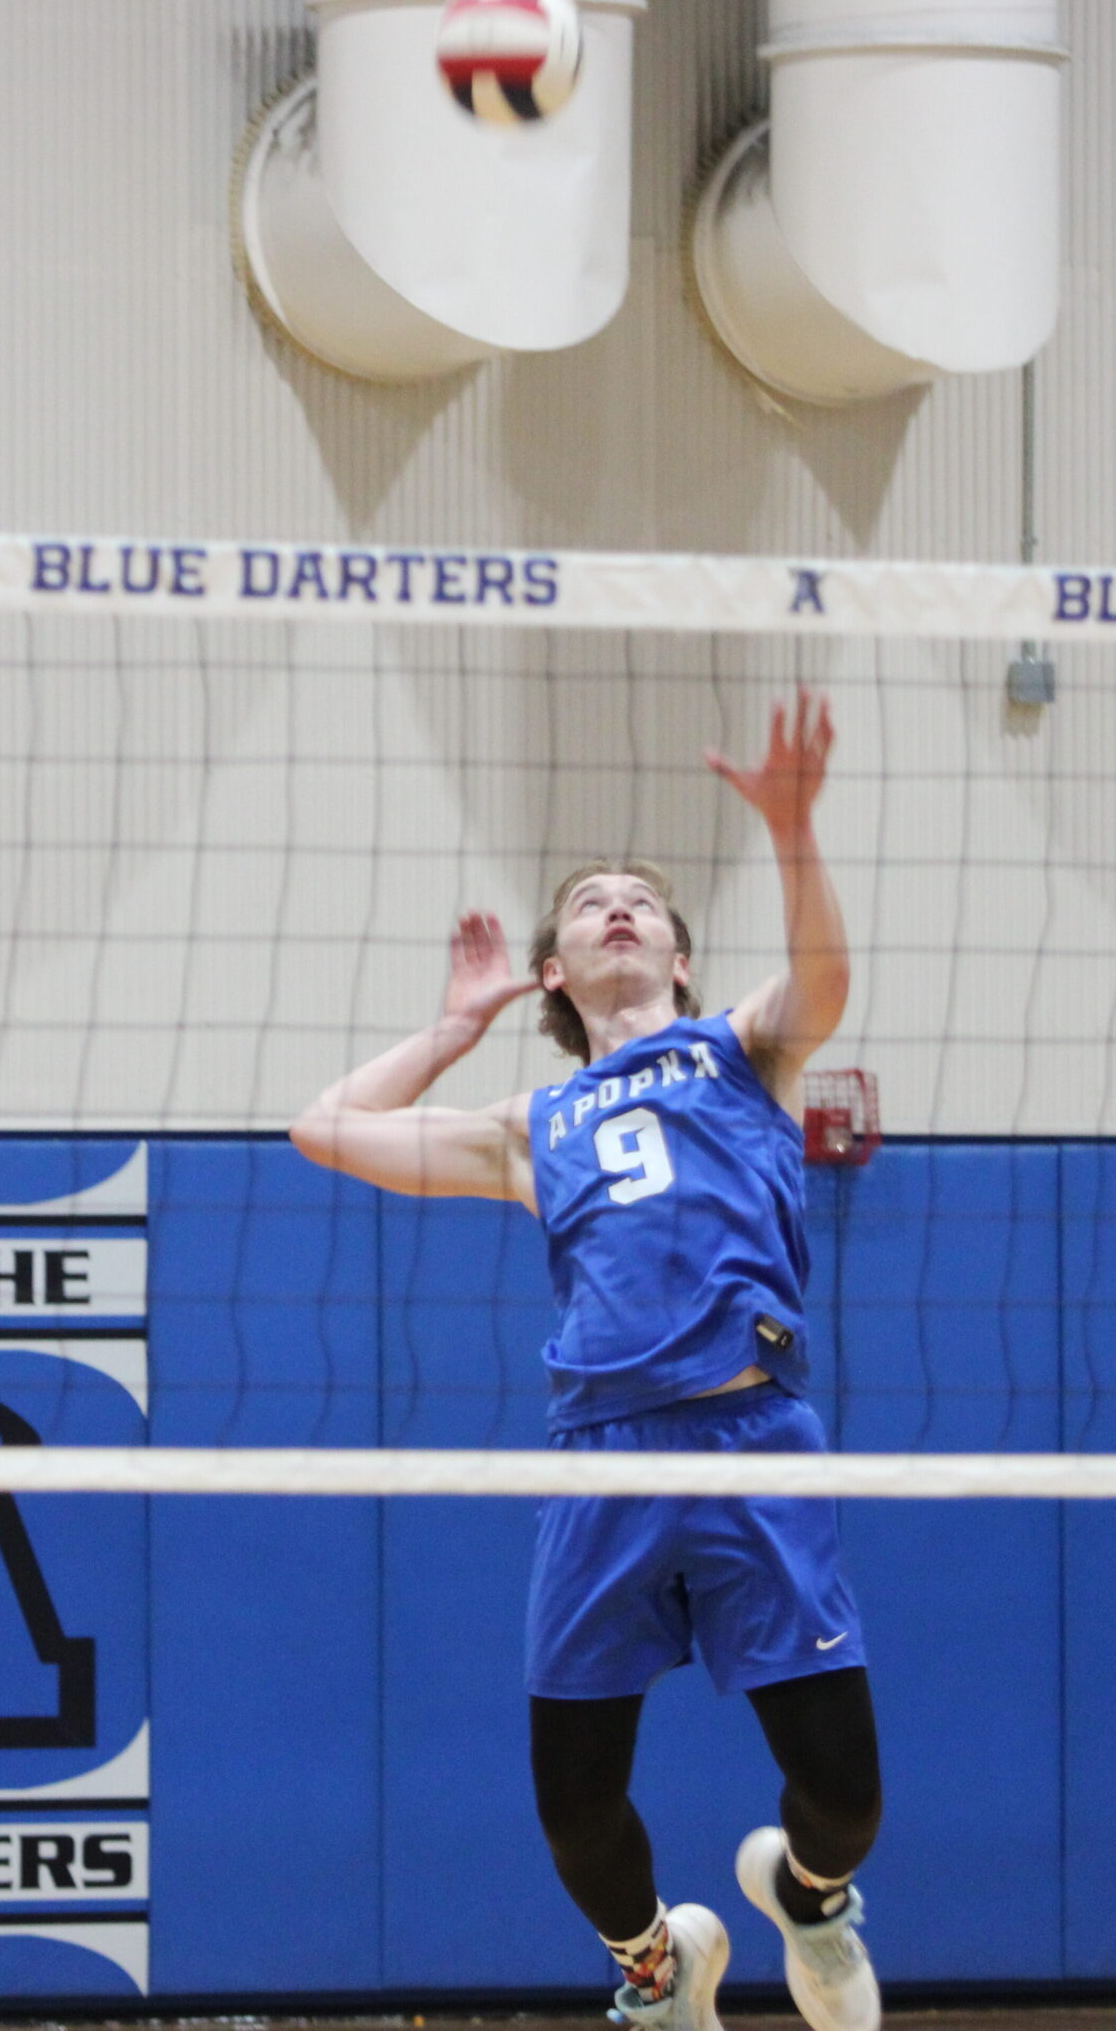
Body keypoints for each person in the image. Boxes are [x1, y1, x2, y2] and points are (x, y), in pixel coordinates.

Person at [291, 691, 882, 2031]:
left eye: (644, 903)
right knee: (575, 1807)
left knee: (846, 1796)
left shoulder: (741, 1050)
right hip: (603, 1462)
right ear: (553, 968)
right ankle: (659, 1973)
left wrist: (792, 833)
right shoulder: (530, 1121)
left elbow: (827, 981)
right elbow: (323, 1127)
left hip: (752, 1444)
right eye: (589, 904)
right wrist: (453, 1030)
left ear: (680, 957)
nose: (618, 908)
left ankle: (805, 1896)